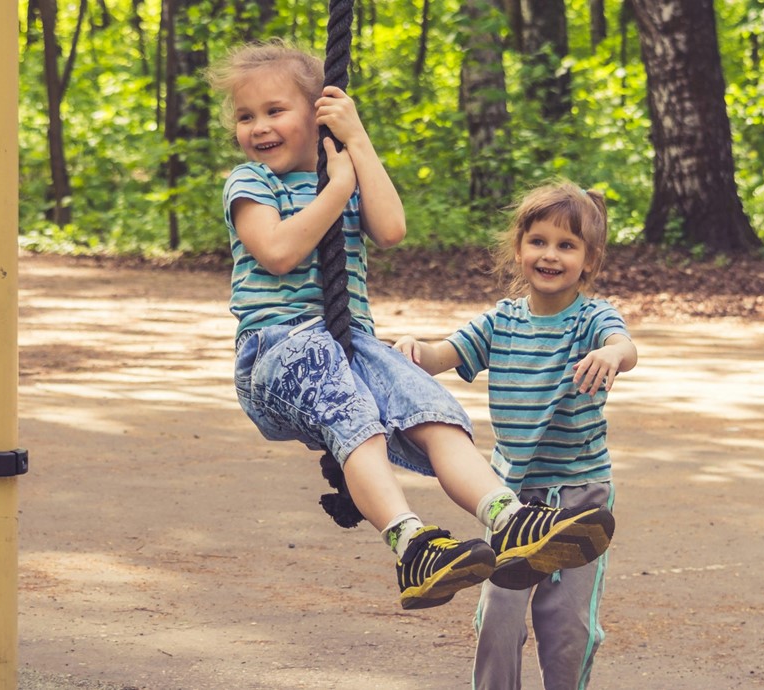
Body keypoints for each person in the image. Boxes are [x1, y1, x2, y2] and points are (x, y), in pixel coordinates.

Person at [207, 41, 616, 612]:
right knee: (357, 420)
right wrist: (338, 191)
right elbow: (276, 252)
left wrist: (357, 143)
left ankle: (510, 519)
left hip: (348, 344)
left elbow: (392, 228)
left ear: (320, 113)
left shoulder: (342, 170)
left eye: (275, 111)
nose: (259, 127)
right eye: (246, 117)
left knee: (433, 411)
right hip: (277, 349)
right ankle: (410, 542)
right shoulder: (251, 182)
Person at [393, 182, 635, 688]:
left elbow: (623, 344)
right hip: (510, 501)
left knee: (568, 627)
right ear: (519, 248)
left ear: (589, 261)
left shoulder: (593, 318)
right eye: (539, 241)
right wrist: (416, 350)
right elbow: (444, 355)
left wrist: (612, 355)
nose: (550, 255)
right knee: (498, 619)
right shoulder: (499, 321)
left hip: (579, 494)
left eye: (567, 246)